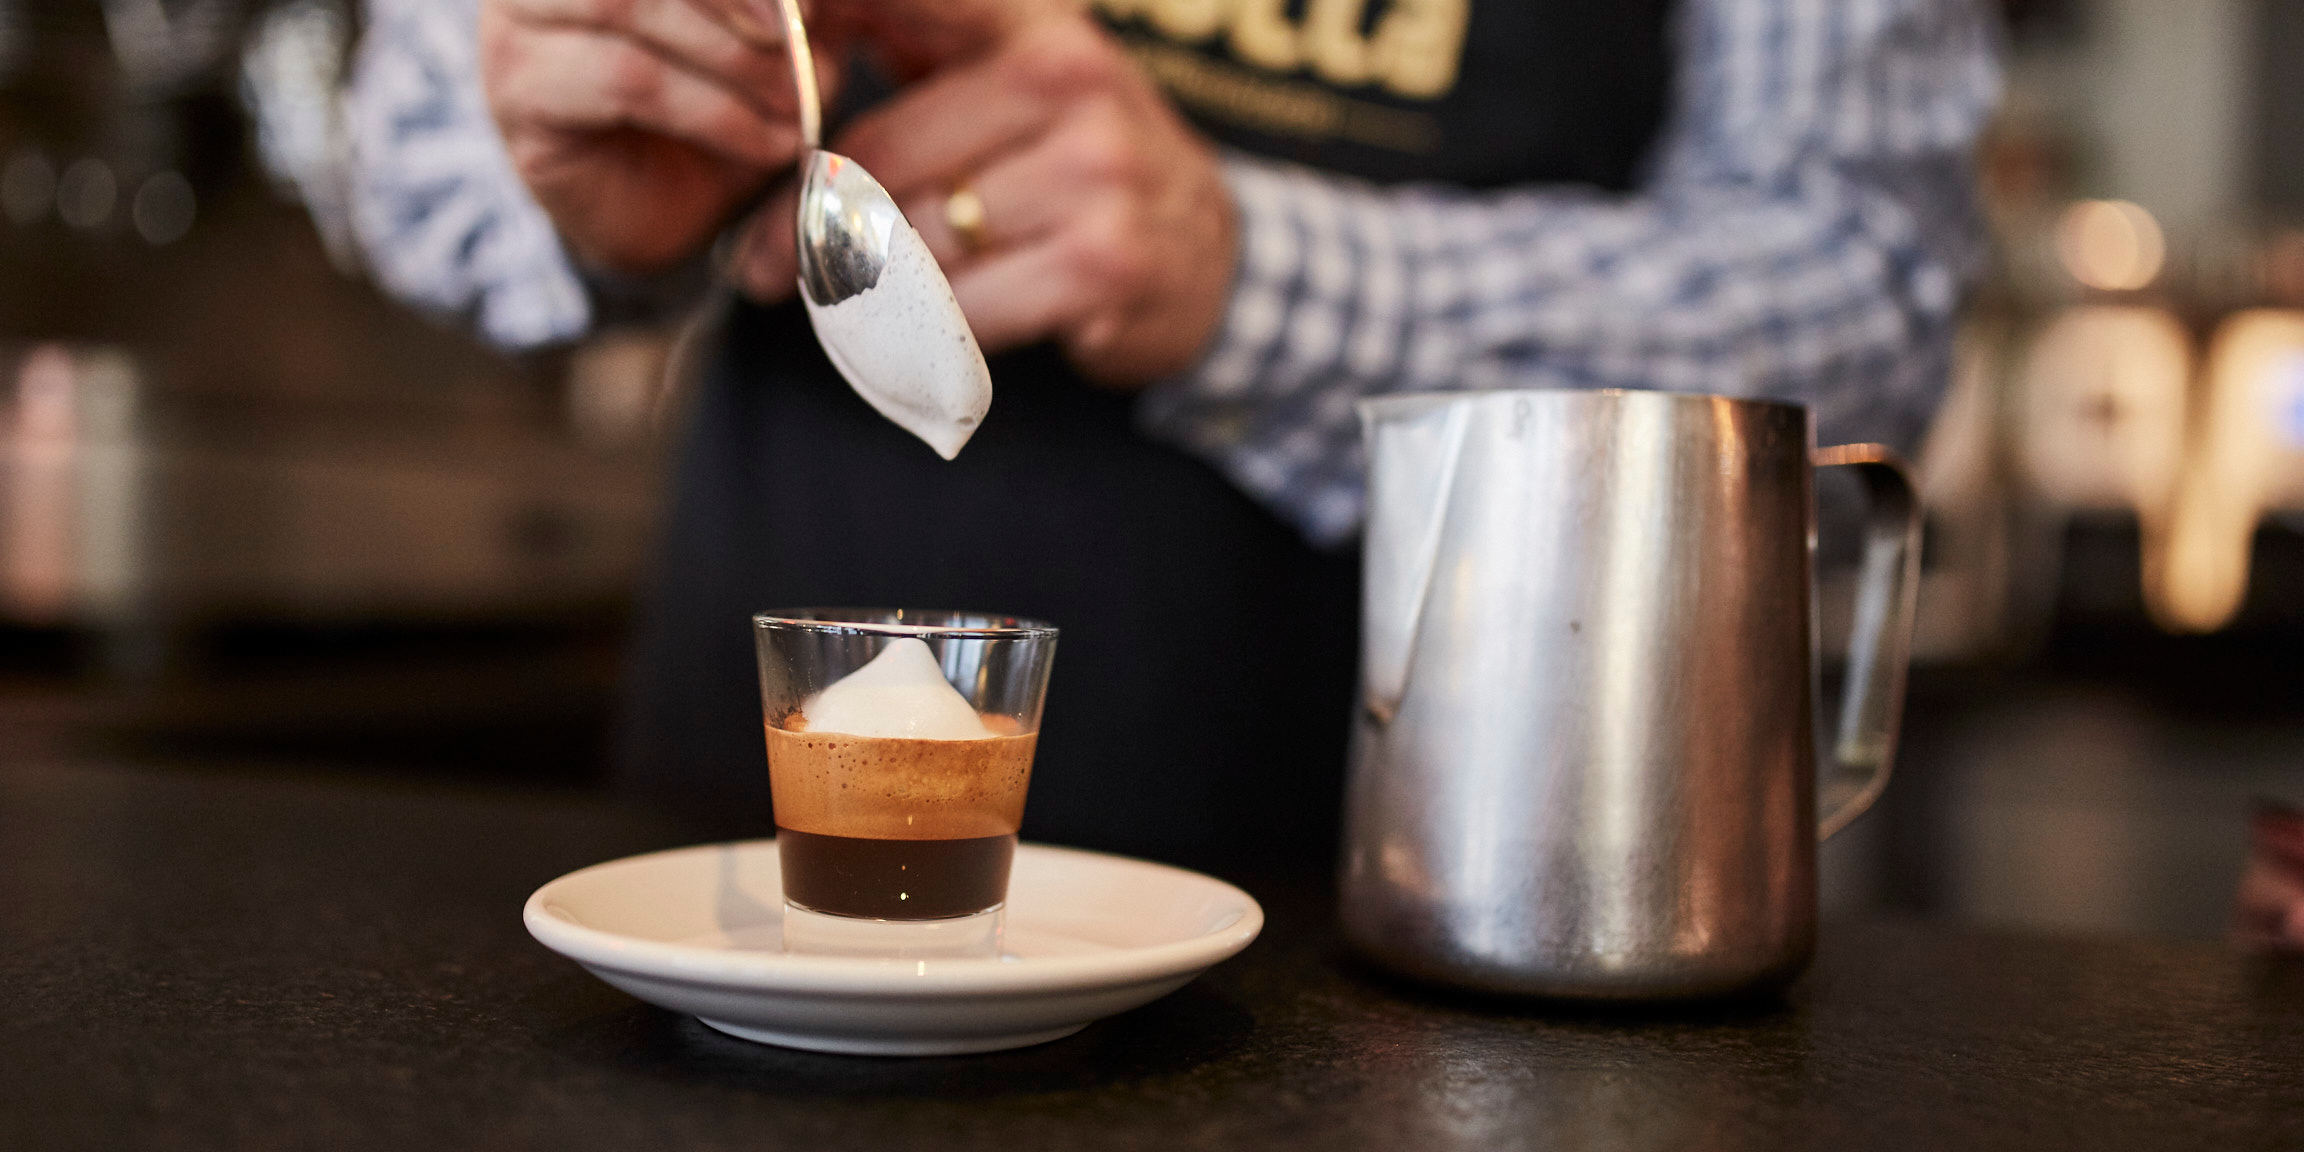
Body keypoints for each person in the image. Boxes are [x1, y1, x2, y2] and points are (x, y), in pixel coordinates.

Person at [344, 0, 2001, 868]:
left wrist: (1248, 269)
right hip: (745, 914)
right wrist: (573, 159)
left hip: (1438, 929)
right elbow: (408, 159)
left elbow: (1864, 295)